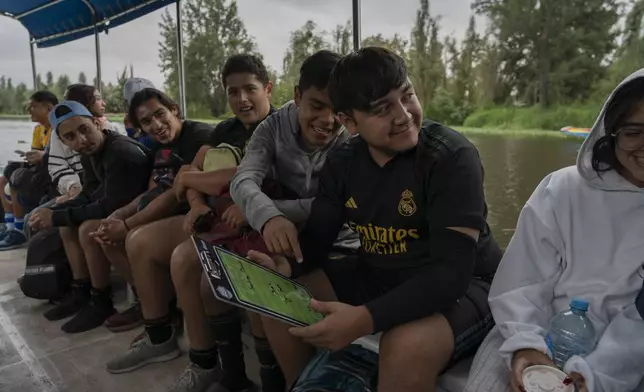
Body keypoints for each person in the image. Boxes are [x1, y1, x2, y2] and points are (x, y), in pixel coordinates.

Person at [246, 47, 501, 392]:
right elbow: (318, 240)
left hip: (470, 284)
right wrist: (285, 266)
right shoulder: (343, 163)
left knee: (404, 346)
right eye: (382, 109)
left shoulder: (451, 157)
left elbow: (450, 275)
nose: (403, 115)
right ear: (348, 121)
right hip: (379, 270)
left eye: (407, 96)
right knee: (276, 295)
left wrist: (364, 319)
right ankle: (302, 384)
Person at [161, 51, 358, 392]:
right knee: (216, 281)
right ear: (296, 96)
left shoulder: (352, 138)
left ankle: (281, 381)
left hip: (334, 240)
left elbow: (335, 206)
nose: (328, 120)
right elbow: (242, 179)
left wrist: (272, 210)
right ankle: (231, 375)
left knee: (266, 288)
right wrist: (267, 218)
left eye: (337, 109)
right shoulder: (272, 128)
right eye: (316, 105)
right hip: (280, 234)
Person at [103, 54, 278, 392]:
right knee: (139, 241)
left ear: (267, 88)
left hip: (253, 220)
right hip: (214, 215)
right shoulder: (226, 128)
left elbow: (241, 176)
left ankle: (207, 362)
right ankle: (162, 337)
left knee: (185, 258)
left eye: (250, 89)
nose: (241, 99)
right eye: (232, 91)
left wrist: (205, 184)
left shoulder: (278, 125)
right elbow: (187, 175)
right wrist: (197, 204)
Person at [463, 70, 644, 392]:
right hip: (528, 328)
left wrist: (594, 376)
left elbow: (638, 326)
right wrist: (526, 346)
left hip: (623, 359)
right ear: (612, 131)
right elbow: (521, 281)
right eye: (634, 131)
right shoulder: (563, 188)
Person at [80, 88, 214, 335]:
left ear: (174, 109)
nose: (156, 125)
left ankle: (159, 329)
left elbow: (174, 196)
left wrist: (128, 225)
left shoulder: (198, 137)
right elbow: (154, 189)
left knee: (135, 238)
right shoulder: (158, 146)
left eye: (159, 114)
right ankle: (152, 302)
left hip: (199, 215)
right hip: (169, 212)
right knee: (103, 232)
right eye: (146, 121)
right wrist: (119, 216)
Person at [30, 100, 151, 334]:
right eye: (70, 137)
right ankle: (82, 290)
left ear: (97, 124)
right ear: (63, 142)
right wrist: (53, 213)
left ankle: (101, 299)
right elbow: (89, 193)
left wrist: (55, 217)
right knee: (67, 225)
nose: (80, 140)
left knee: (88, 228)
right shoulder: (90, 152)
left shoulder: (120, 152)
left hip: (144, 209)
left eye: (84, 130)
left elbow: (108, 205)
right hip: (120, 207)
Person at [0, 90, 58, 250]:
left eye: (33, 106)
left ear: (49, 108)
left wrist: (43, 156)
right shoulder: (39, 130)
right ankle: (10, 227)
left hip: (52, 174)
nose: (29, 110)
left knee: (17, 179)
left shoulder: (59, 128)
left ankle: (19, 231)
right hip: (41, 168)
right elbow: (36, 155)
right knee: (5, 176)